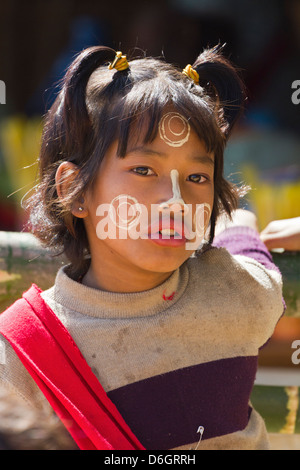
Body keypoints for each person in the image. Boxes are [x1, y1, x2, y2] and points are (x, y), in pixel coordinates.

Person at [0, 46, 284, 450]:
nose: (176, 201)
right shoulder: (23, 353)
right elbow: (251, 254)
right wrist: (239, 223)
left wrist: (236, 222)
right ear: (74, 191)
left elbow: (252, 264)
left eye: (198, 177)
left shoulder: (237, 291)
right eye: (143, 170)